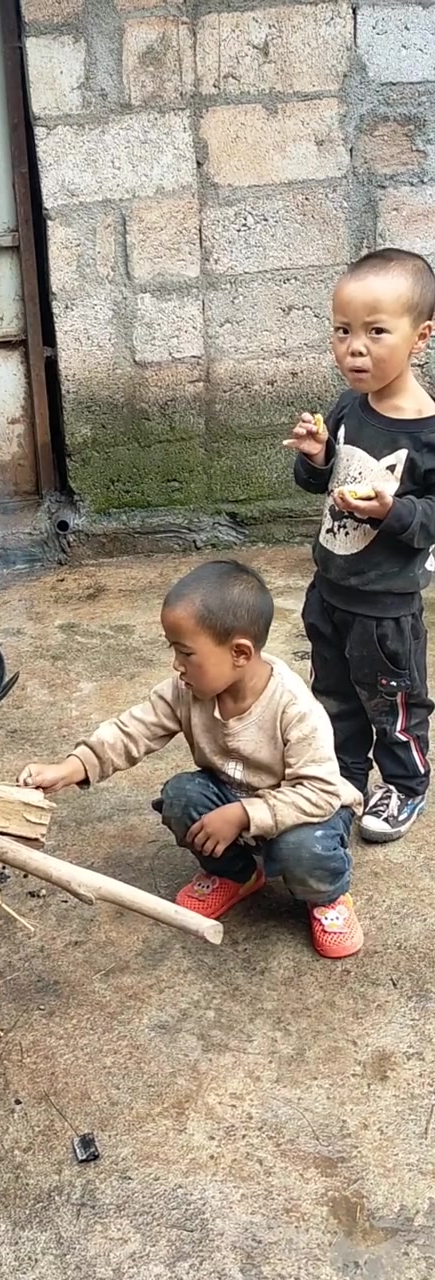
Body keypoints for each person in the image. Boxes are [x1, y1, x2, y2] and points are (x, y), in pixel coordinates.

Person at [18, 561, 364, 959]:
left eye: (186, 653)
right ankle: (238, 874)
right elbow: (134, 729)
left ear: (239, 653)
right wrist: (71, 767)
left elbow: (318, 793)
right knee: (181, 797)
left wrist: (242, 815)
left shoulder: (294, 708)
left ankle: (327, 898)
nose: (176, 665)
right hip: (230, 797)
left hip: (304, 811)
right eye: (174, 650)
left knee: (303, 850)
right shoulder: (187, 690)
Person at [285, 247, 435, 843]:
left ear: (420, 336)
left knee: (392, 703)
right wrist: (316, 456)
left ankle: (404, 785)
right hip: (331, 588)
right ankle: (342, 780)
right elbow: (320, 481)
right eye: (343, 330)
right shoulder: (347, 405)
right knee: (333, 694)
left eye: (376, 332)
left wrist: (394, 512)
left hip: (386, 607)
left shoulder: (429, 432)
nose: (355, 347)